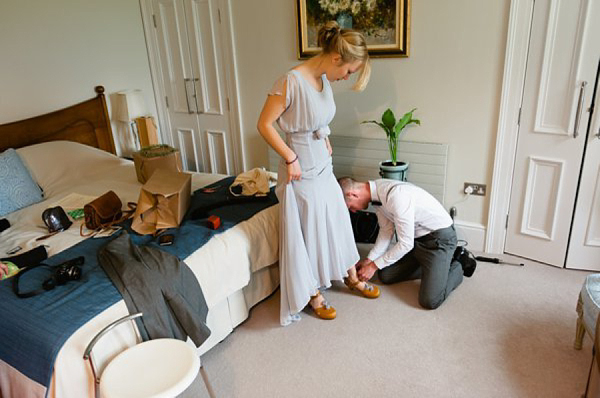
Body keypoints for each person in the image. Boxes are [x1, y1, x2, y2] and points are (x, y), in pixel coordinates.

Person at [257, 21, 379, 325]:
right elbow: (264, 125)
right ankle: (312, 294)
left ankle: (349, 275)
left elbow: (317, 118)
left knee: (337, 219)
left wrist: (326, 139)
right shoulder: (290, 81)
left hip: (323, 165)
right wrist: (289, 157)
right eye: (349, 71)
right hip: (300, 170)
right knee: (310, 231)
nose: (346, 77)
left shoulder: (324, 80)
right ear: (337, 58)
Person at [339, 177, 476, 309]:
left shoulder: (397, 197)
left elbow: (405, 244)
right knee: (385, 275)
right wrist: (370, 260)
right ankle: (435, 268)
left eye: (349, 206)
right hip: (417, 243)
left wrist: (374, 266)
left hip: (439, 241)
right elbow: (386, 231)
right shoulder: (377, 195)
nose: (352, 211)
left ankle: (458, 262)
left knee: (430, 300)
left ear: (353, 194)